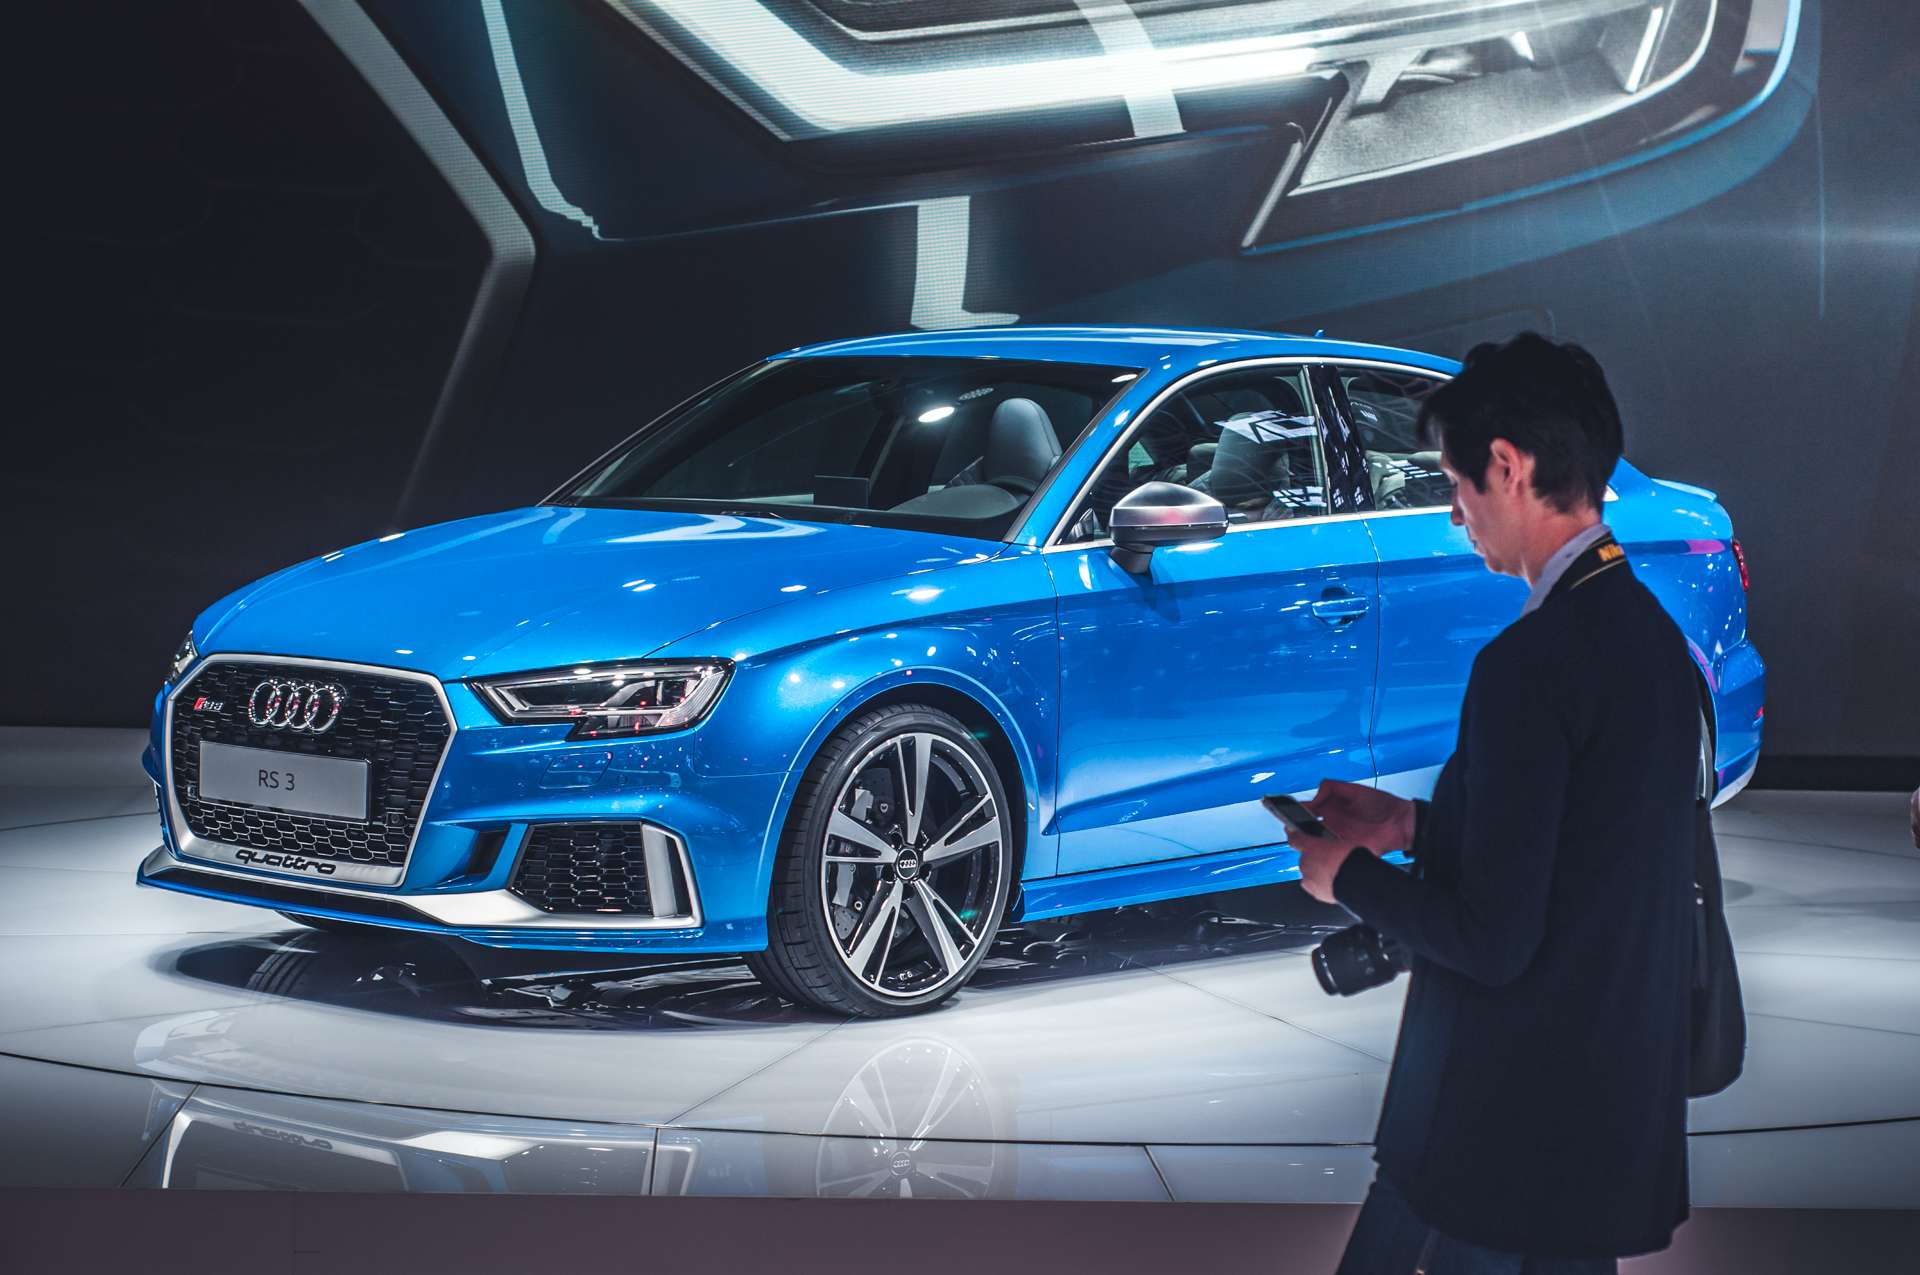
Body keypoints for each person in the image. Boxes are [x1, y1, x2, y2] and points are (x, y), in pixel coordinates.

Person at [1295, 333, 1703, 1273]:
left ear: (1509, 468)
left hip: (1500, 1120)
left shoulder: (1527, 665)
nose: (1454, 513)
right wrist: (1411, 825)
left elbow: (1492, 937)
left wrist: (1346, 875)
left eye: (1456, 483)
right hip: (1598, 1105)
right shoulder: (1649, 636)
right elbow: (1586, 856)